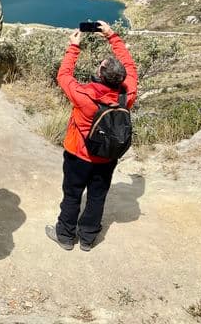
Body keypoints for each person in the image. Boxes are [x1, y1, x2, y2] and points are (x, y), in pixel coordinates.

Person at [46, 20, 138, 251]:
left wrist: (74, 47)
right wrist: (111, 35)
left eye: (101, 65)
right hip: (107, 156)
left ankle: (66, 236)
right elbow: (129, 64)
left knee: (72, 194)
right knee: (97, 196)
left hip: (79, 154)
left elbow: (64, 75)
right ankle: (87, 238)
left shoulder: (84, 96)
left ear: (100, 74)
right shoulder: (127, 95)